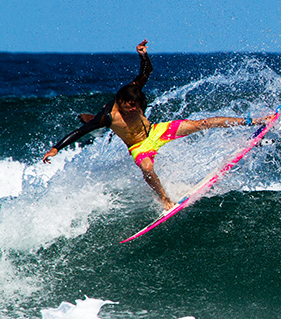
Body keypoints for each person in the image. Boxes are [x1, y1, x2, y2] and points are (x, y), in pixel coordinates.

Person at [42, 40, 269, 210]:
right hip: (139, 146)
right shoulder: (108, 117)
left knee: (202, 123)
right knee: (148, 169)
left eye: (136, 106)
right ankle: (164, 199)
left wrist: (143, 56)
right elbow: (81, 132)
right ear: (120, 102)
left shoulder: (131, 91)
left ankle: (252, 121)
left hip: (156, 131)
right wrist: (56, 148)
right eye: (130, 107)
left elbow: (146, 72)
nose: (134, 109)